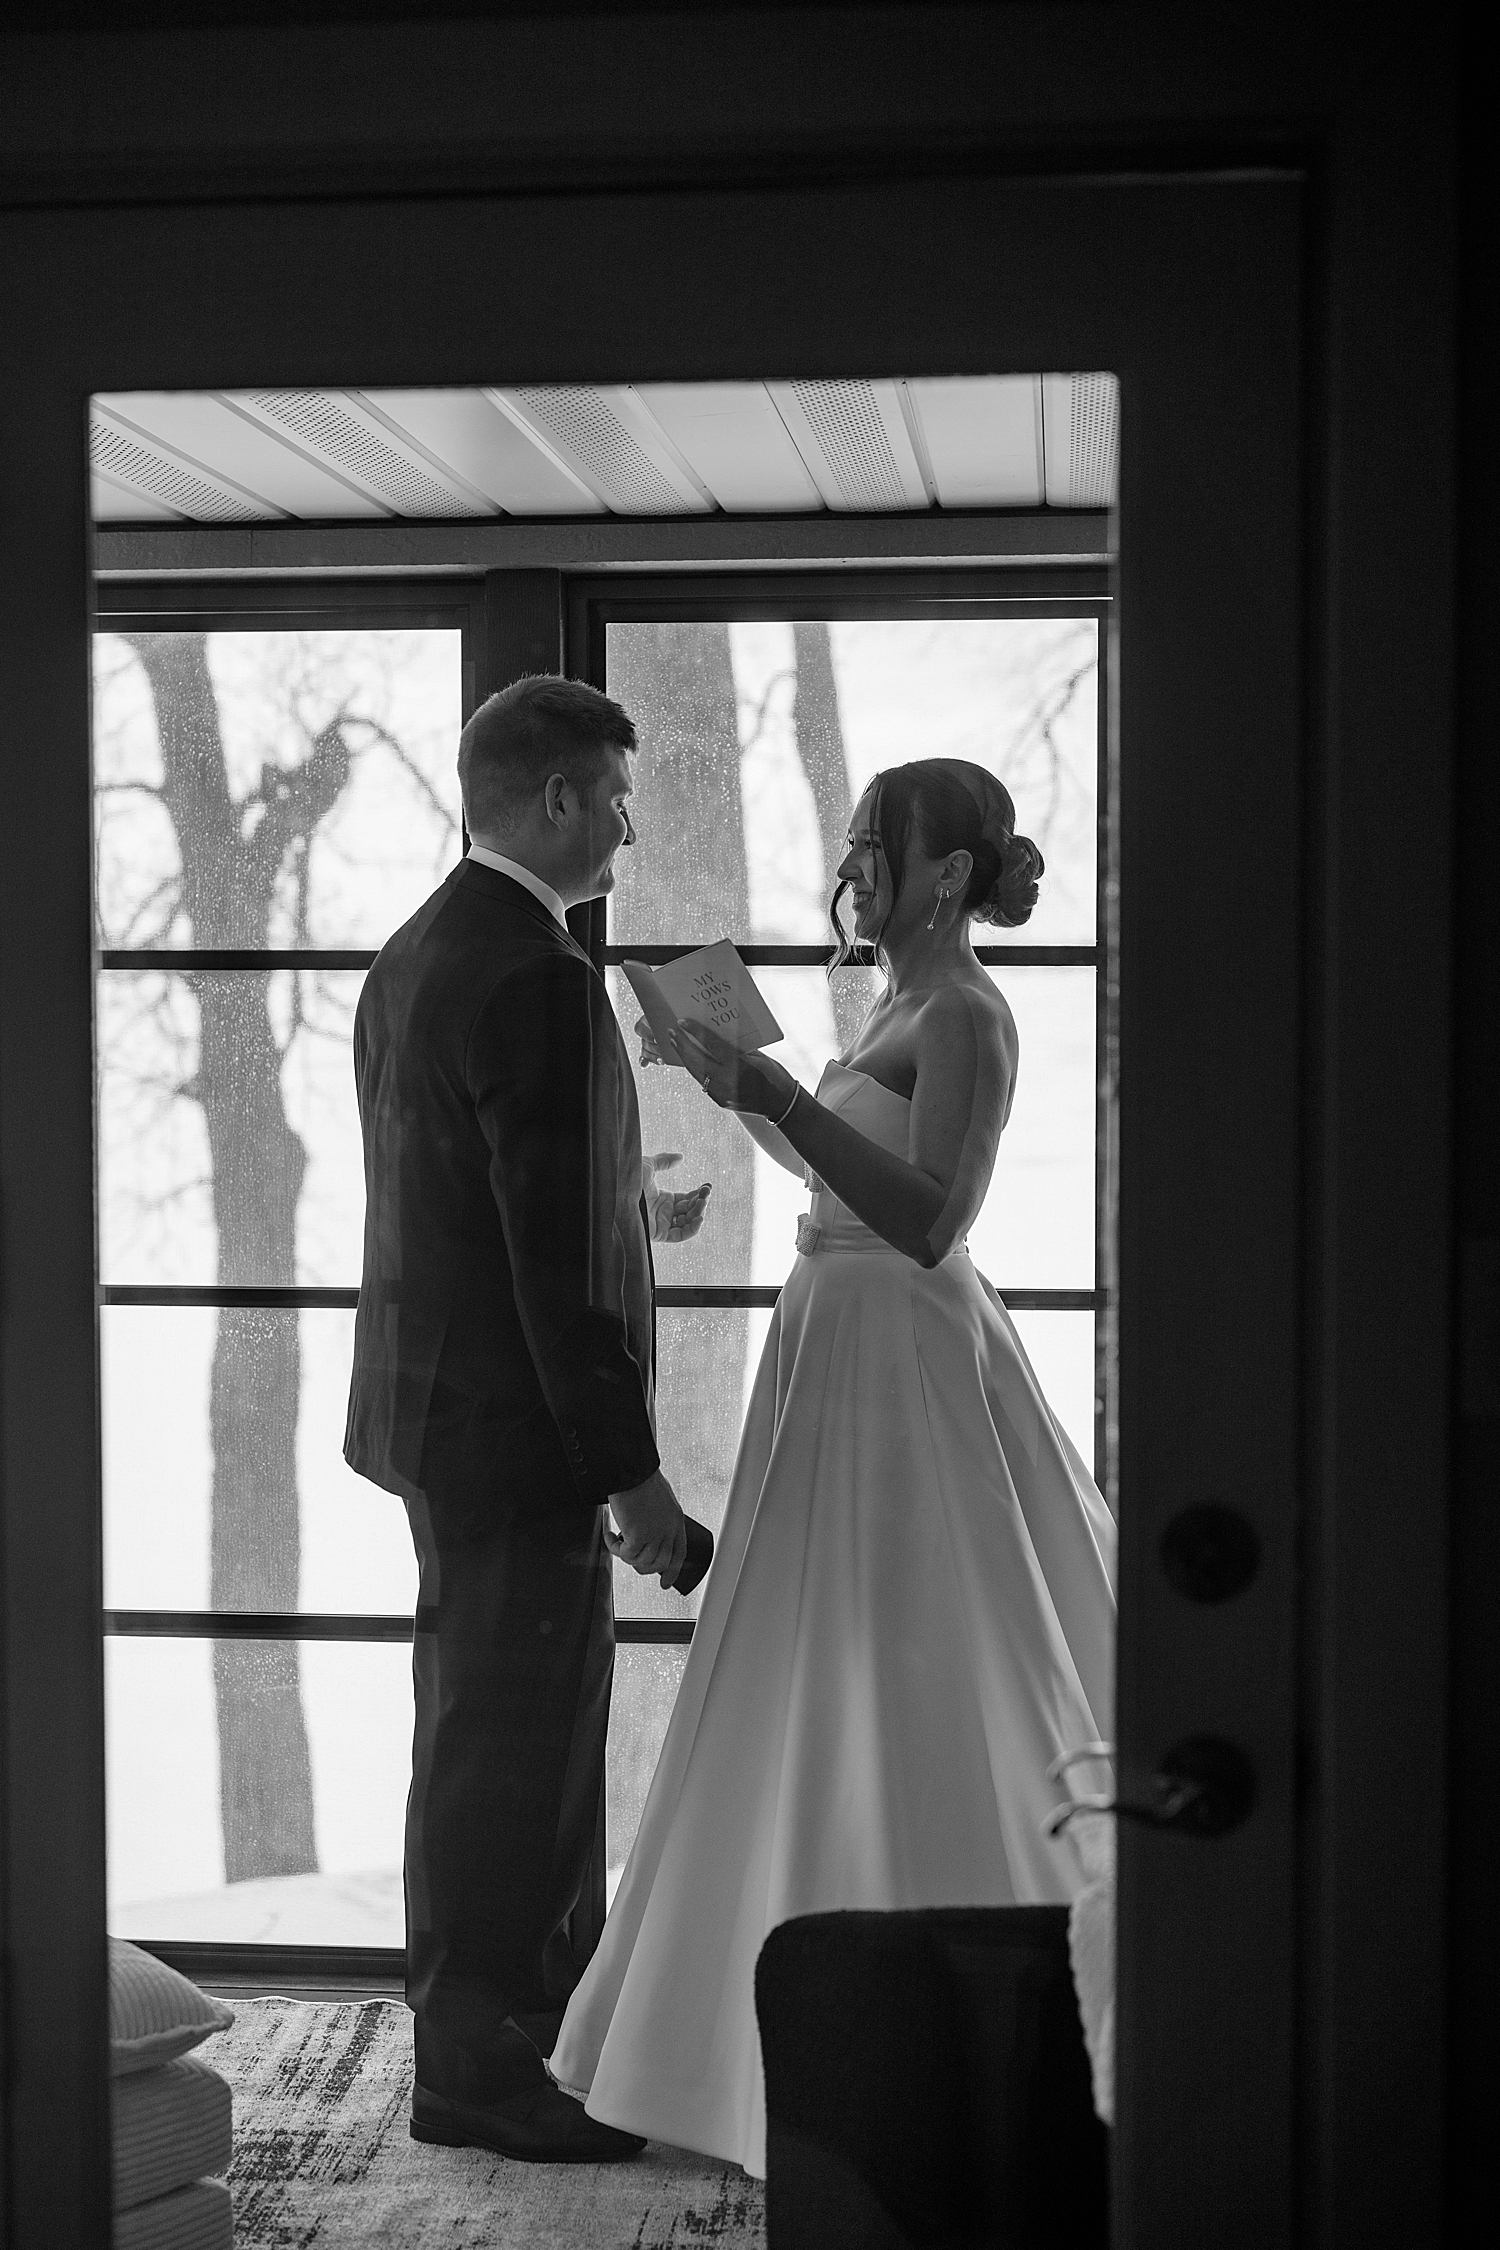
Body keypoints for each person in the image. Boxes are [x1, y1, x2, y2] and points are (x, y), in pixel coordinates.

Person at [547, 757, 1118, 2178]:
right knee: (815, 1656)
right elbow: (834, 1171)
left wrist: (782, 1099)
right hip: (836, 1340)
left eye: (879, 846)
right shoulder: (899, 1008)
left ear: (946, 873)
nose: (854, 865)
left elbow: (934, 1218)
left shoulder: (971, 1014)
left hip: (904, 1355)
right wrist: (729, 1077)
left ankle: (978, 1997)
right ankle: (774, 1998)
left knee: (927, 1649)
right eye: (857, 843)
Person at [343, 674, 711, 2164]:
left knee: (475, 1727)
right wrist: (632, 1480)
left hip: (438, 1418)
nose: (628, 824)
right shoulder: (542, 976)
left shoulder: (417, 947)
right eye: (617, 797)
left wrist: (633, 1196)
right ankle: (479, 2064)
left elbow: (471, 1187)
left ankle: (513, 2023)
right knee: (516, 1744)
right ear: (559, 798)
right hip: (518, 1433)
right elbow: (553, 1274)